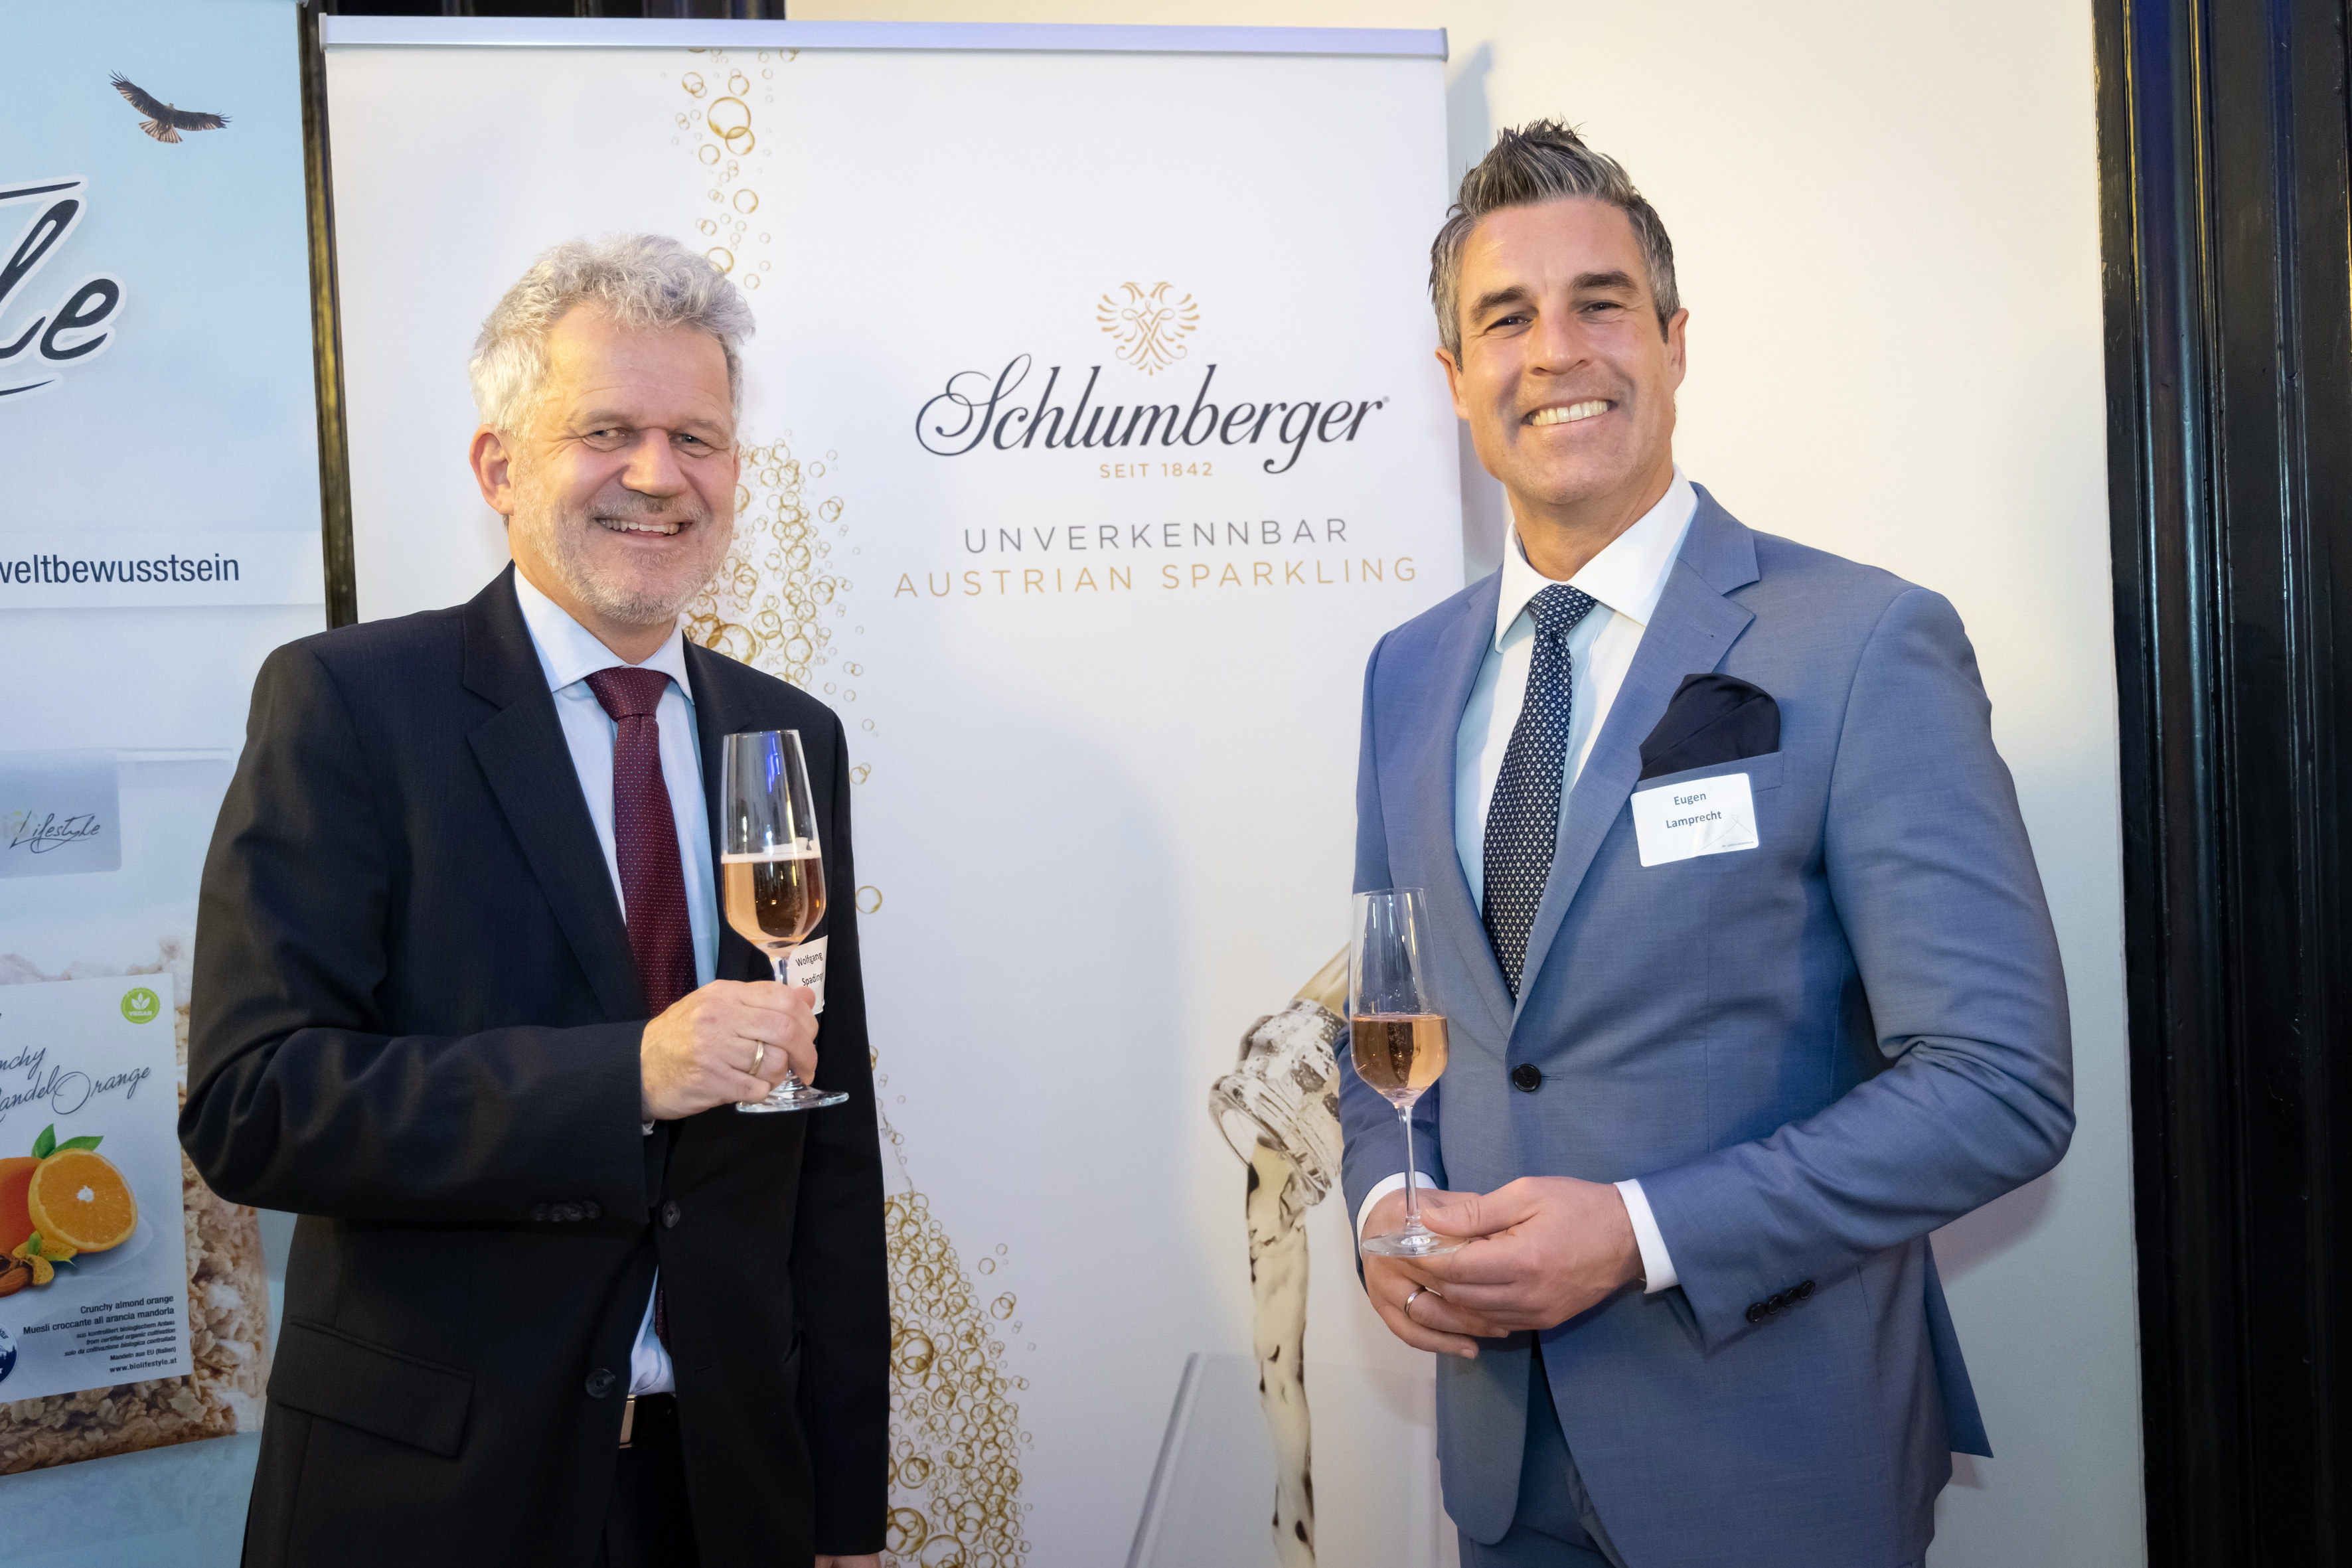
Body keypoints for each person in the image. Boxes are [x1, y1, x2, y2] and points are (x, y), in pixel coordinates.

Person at [1339, 122, 2075, 1568]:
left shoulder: (1863, 642)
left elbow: (1998, 1084)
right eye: (1506, 318)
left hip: (1776, 1468)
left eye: (1600, 302)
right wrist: (1380, 1201)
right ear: (1455, 379)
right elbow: (1382, 1011)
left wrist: (1639, 1230)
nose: (1556, 349)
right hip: (1501, 1476)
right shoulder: (1403, 672)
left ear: (1674, 343)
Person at [184, 236, 886, 1568]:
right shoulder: (349, 706)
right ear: (499, 467)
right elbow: (253, 1102)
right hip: (434, 1502)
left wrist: (845, 1502)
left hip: (725, 1494)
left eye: (696, 437)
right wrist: (625, 1075)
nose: (657, 474)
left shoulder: (787, 734)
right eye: (606, 430)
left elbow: (829, 1145)